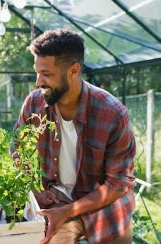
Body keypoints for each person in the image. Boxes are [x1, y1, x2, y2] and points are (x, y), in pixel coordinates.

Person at [13, 29, 136, 243]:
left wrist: (70, 210)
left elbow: (117, 183)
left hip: (105, 206)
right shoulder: (34, 103)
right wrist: (35, 191)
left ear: (73, 70)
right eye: (37, 72)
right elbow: (17, 148)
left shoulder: (112, 114)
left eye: (47, 74)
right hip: (56, 199)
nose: (38, 82)